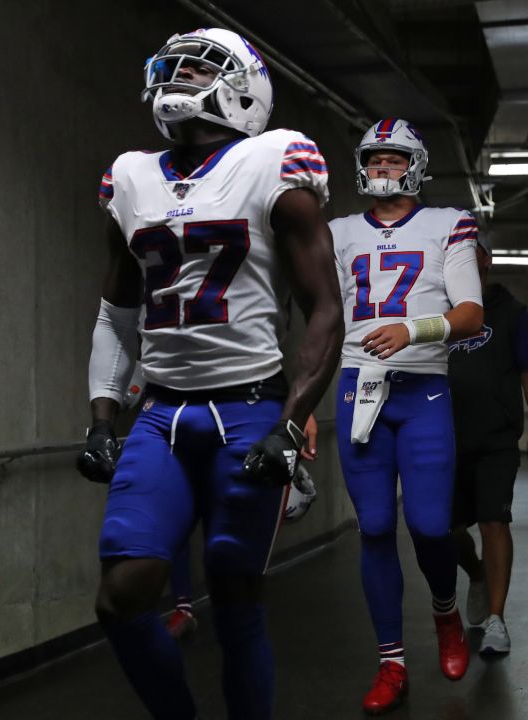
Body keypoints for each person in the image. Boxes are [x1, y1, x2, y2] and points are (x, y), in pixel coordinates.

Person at [76, 28, 343, 720]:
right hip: (161, 414)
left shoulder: (272, 161)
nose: (178, 74)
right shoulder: (131, 176)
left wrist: (290, 424)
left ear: (246, 87)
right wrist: (104, 412)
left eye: (199, 65)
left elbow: (324, 312)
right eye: (173, 63)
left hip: (250, 408)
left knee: (235, 602)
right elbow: (115, 313)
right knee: (122, 595)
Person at [329, 118, 484, 714]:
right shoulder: (339, 231)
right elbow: (321, 314)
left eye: (393, 159)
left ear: (415, 164)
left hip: (422, 389)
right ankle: (391, 662)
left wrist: (415, 329)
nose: (382, 169)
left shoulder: (447, 223)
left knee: (426, 524)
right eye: (374, 159)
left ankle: (445, 611)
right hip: (357, 388)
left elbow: (469, 313)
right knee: (372, 527)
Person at [448, 239, 528, 656]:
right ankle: (475, 573)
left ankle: (497, 619)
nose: (463, 261)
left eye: (470, 253)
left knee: (495, 521)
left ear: (486, 261)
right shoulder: (437, 309)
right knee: (446, 530)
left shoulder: (511, 313)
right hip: (445, 439)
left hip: (496, 438)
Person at [165, 416, 320, 639]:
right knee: (182, 521)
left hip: (242, 424)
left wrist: (303, 414)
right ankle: (191, 609)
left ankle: (232, 610)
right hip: (208, 425)